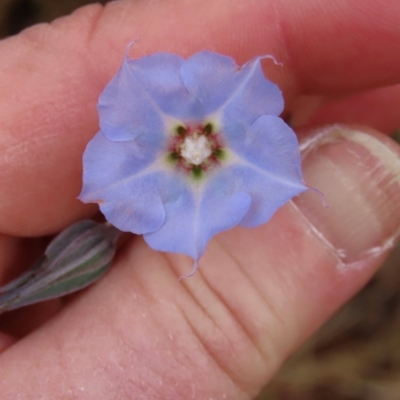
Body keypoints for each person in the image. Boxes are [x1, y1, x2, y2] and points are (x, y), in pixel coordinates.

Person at [0, 0, 399, 398]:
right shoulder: (146, 146)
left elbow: (246, 95)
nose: (194, 148)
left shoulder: (229, 121)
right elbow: (158, 202)